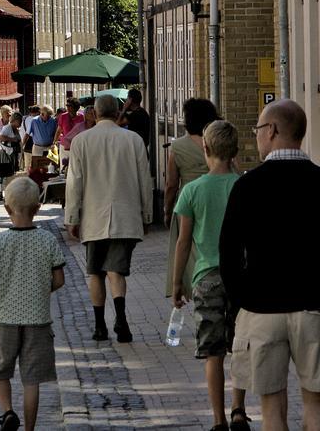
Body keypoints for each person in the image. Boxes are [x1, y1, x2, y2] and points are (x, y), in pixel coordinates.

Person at [220, 99, 320, 431]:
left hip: (261, 309)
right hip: (313, 308)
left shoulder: (247, 187)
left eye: (259, 130)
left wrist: (241, 300)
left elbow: (229, 254)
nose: (257, 137)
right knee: (316, 404)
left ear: (273, 131)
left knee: (271, 406)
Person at [172, 120, 250, 431]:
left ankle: (218, 419)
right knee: (240, 347)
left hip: (206, 277)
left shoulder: (192, 191)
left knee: (213, 352)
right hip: (242, 277)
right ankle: (239, 410)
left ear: (205, 149)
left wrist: (178, 282)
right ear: (235, 151)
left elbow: (183, 241)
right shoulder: (244, 186)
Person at [64, 94, 151, 343]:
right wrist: (146, 214)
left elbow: (74, 183)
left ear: (95, 113)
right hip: (125, 215)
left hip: (93, 216)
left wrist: (72, 216)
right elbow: (145, 180)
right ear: (117, 112)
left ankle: (100, 325)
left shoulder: (81, 141)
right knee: (117, 271)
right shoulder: (133, 140)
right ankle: (121, 320)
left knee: (95, 273)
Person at [0, 176, 65, 431]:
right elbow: (59, 279)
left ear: (7, 209)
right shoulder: (48, 241)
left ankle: (8, 411)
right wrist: (42, 290)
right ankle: (29, 428)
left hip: (6, 317)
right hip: (38, 319)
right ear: (38, 208)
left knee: (1, 370)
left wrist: (3, 295)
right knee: (32, 380)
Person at [164, 98, 220, 300]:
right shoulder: (218, 142)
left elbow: (171, 184)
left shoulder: (178, 146)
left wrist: (167, 209)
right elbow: (235, 169)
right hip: (215, 198)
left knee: (187, 246)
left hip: (187, 202)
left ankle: (193, 287)